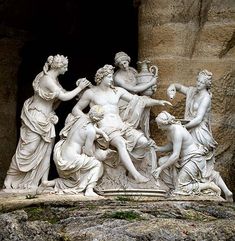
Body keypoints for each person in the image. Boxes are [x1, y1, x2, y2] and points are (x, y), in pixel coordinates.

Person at [71, 64, 172, 183]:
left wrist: (158, 102)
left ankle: (128, 168)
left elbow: (139, 100)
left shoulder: (117, 91)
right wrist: (89, 121)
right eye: (108, 77)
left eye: (111, 77)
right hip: (106, 128)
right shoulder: (91, 93)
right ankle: (136, 176)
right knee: (121, 143)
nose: (111, 79)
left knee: (144, 142)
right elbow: (76, 109)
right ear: (101, 77)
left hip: (122, 126)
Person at [3, 54, 91, 191]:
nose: (67, 70)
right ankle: (10, 178)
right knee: (27, 149)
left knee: (46, 150)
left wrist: (79, 88)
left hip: (46, 118)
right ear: (59, 66)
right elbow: (63, 96)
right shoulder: (47, 79)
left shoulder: (54, 79)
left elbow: (64, 93)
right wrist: (79, 88)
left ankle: (42, 181)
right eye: (65, 67)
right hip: (36, 117)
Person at [167, 70, 233, 201]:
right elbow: (179, 87)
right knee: (203, 168)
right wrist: (172, 87)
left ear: (207, 84)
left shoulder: (206, 97)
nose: (198, 84)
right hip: (190, 131)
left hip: (199, 133)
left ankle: (206, 188)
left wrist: (181, 128)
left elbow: (198, 119)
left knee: (198, 164)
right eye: (198, 80)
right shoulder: (192, 91)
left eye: (202, 82)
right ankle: (226, 191)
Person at [37, 105, 109, 197]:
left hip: (61, 153)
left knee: (76, 179)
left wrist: (101, 133)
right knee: (97, 164)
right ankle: (89, 189)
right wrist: (94, 155)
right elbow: (87, 151)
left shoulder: (81, 118)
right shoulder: (91, 131)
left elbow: (90, 126)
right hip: (71, 160)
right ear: (98, 119)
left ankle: (47, 183)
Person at [153, 111, 224, 197]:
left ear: (165, 123)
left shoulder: (177, 132)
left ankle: (208, 185)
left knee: (181, 188)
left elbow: (175, 156)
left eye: (160, 125)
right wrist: (158, 148)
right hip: (184, 159)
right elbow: (172, 145)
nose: (158, 127)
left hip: (194, 159)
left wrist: (160, 168)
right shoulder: (170, 130)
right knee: (161, 161)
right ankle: (173, 188)